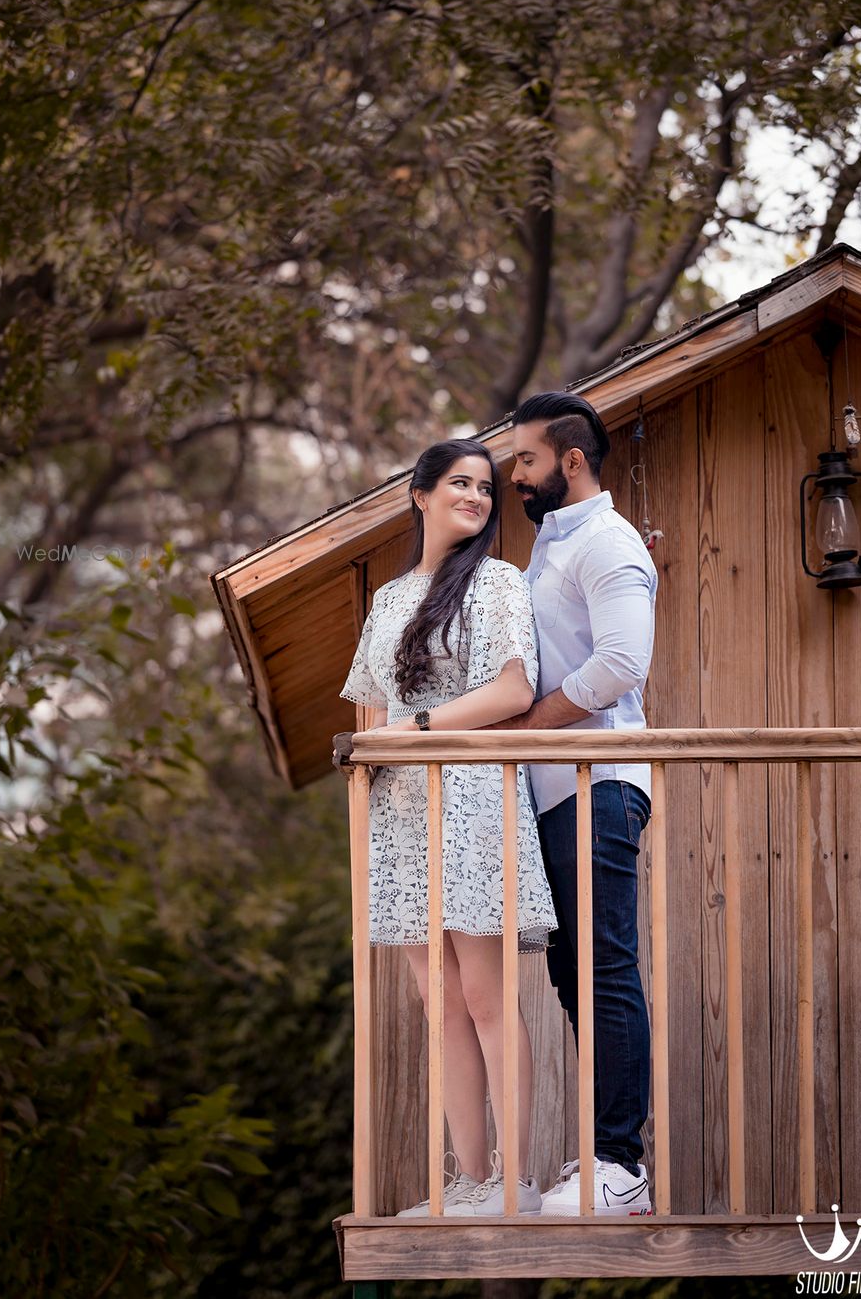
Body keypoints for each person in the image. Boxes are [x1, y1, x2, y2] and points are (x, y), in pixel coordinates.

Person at [335, 439, 558, 1218]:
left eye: (485, 487)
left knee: (486, 994)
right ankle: (469, 1178)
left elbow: (512, 688)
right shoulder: (391, 597)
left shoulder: (497, 581)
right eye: (459, 482)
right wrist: (379, 749)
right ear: (420, 494)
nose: (476, 495)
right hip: (400, 809)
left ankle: (517, 1179)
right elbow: (368, 707)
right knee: (439, 998)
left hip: (468, 794)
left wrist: (417, 728)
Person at [494, 391, 658, 1216]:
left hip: (598, 780)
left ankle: (621, 1167)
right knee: (574, 972)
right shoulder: (554, 548)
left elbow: (622, 661)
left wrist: (528, 726)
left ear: (570, 460)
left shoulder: (606, 542)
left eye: (524, 459)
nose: (513, 475)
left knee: (606, 967)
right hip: (558, 788)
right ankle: (602, 1156)